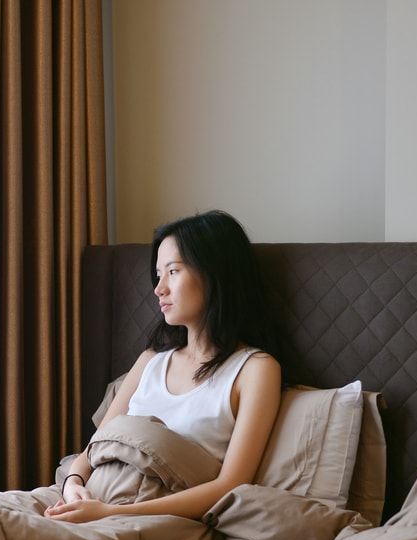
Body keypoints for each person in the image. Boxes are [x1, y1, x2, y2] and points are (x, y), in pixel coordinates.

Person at [44, 210, 282, 524]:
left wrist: (112, 513)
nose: (159, 289)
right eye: (158, 275)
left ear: (215, 274)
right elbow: (91, 452)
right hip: (92, 501)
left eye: (173, 271)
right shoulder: (151, 361)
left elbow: (231, 485)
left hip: (153, 520)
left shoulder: (255, 369)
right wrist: (74, 486)